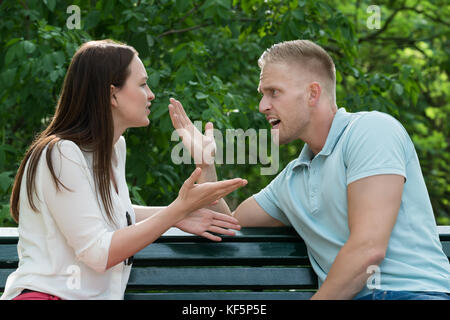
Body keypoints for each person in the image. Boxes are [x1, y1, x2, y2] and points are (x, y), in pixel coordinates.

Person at [167, 39, 450, 300]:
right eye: (262, 94)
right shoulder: (292, 179)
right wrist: (206, 165)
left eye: (273, 92)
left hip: (411, 293)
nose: (262, 105)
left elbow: (368, 249)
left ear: (312, 93)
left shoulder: (371, 131)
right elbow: (227, 224)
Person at [0, 39, 247, 300]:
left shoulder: (114, 148)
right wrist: (176, 211)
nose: (151, 94)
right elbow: (97, 253)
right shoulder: (60, 153)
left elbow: (222, 223)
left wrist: (204, 166)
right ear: (112, 95)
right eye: (142, 84)